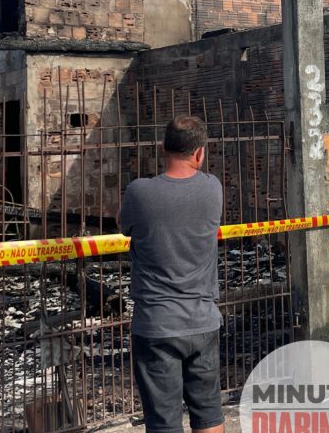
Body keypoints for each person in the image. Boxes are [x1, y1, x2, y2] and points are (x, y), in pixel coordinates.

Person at [119, 115, 224, 433]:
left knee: (163, 423)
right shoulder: (213, 188)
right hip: (203, 320)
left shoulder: (140, 192)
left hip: (157, 325)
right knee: (209, 416)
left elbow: (124, 225)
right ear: (200, 153)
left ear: (162, 148)